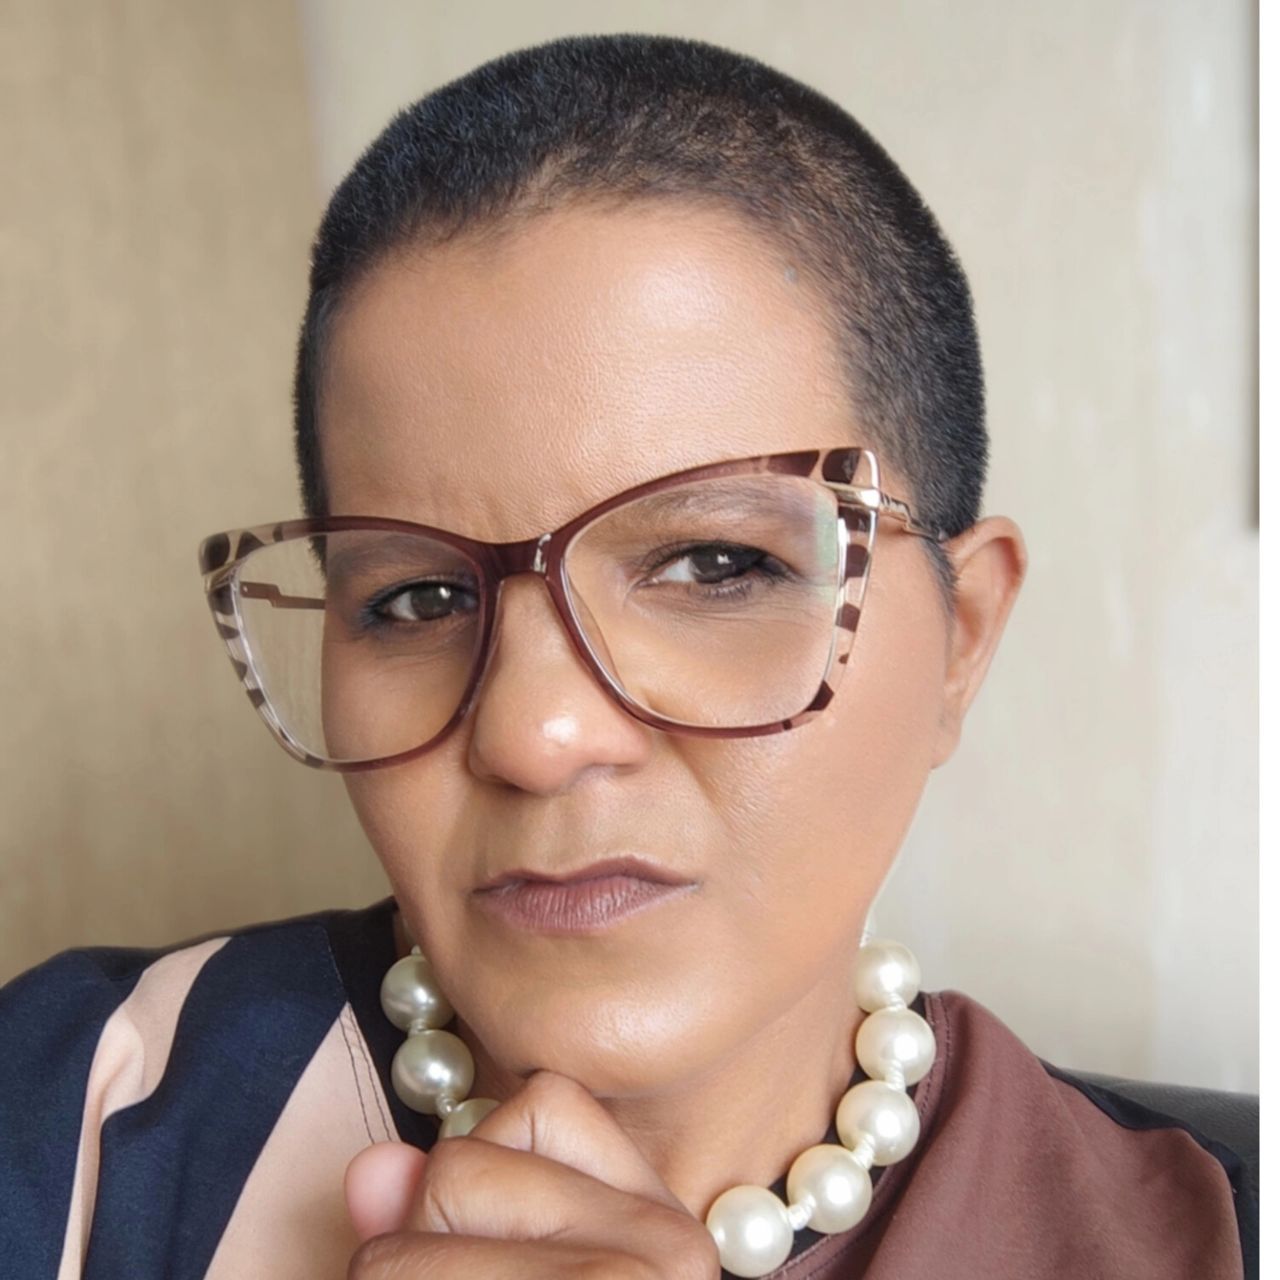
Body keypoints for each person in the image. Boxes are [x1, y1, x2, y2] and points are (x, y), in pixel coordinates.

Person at [0, 32, 1256, 1280]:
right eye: (418, 596)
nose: (533, 734)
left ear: (960, 639)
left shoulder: (1202, 1230)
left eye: (715, 564)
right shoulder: (75, 1116)